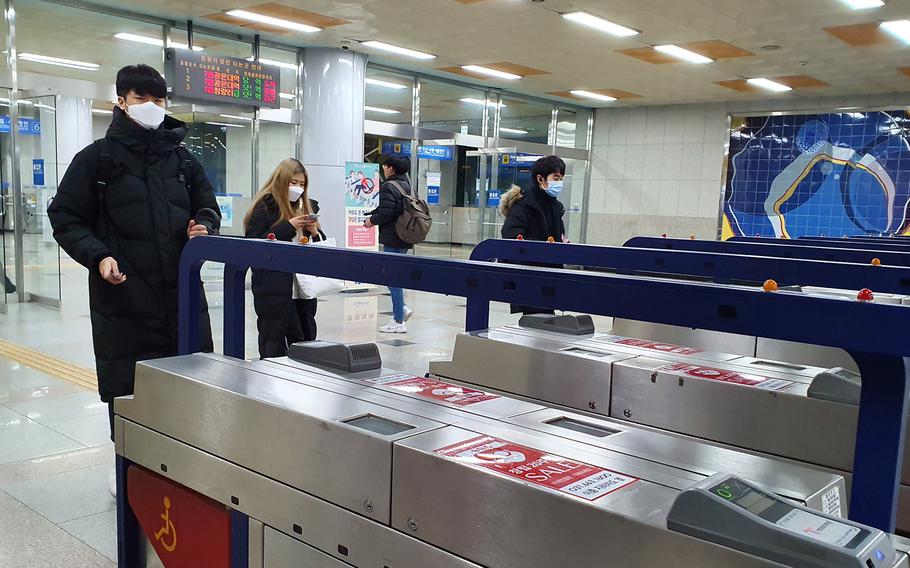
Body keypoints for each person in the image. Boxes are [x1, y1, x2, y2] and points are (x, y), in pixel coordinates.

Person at [47, 64, 219, 492]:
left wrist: (203, 224)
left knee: (187, 378)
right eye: (142, 98)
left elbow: (208, 205)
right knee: (130, 383)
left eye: (159, 100)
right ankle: (124, 459)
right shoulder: (97, 160)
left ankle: (182, 464)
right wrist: (98, 255)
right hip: (124, 296)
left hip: (182, 294)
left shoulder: (181, 158)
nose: (152, 108)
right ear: (120, 101)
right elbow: (65, 217)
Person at [245, 158, 322, 357]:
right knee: (273, 340)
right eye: (293, 183)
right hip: (273, 286)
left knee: (305, 339)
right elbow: (254, 244)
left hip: (303, 288)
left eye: (302, 184)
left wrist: (314, 233)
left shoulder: (307, 207)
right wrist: (289, 226)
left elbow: (320, 247)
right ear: (281, 180)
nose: (298, 188)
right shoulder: (265, 206)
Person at [499, 155, 567, 315]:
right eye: (556, 177)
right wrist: (539, 246)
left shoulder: (555, 207)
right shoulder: (523, 206)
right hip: (528, 277)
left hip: (551, 275)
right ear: (540, 179)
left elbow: (559, 236)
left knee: (545, 322)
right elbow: (511, 235)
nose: (559, 183)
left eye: (561, 178)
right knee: (535, 321)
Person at [365, 156, 414, 333]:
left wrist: (371, 220)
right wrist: (372, 214)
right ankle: (402, 309)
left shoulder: (388, 186)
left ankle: (399, 320)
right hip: (405, 237)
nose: (383, 169)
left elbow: (387, 214)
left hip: (392, 238)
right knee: (394, 276)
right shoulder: (407, 186)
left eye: (385, 166)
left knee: (391, 277)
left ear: (391, 169)